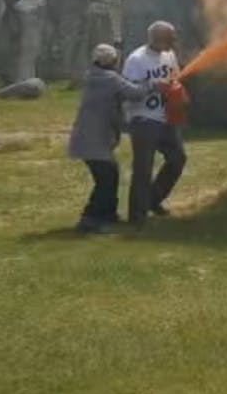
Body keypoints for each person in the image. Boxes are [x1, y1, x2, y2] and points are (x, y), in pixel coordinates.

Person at [68, 43, 162, 234]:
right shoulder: (109, 78)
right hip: (94, 140)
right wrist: (152, 84)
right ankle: (91, 219)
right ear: (112, 61)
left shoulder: (92, 75)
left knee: (109, 176)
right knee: (106, 179)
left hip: (87, 138)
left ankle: (107, 215)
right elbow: (134, 93)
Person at [123, 21, 186, 225]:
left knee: (177, 159)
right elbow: (128, 91)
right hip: (144, 120)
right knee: (143, 168)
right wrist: (151, 86)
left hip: (167, 118)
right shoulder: (136, 59)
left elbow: (175, 78)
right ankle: (137, 216)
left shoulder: (169, 55)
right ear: (157, 39)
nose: (174, 42)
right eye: (171, 38)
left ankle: (152, 200)